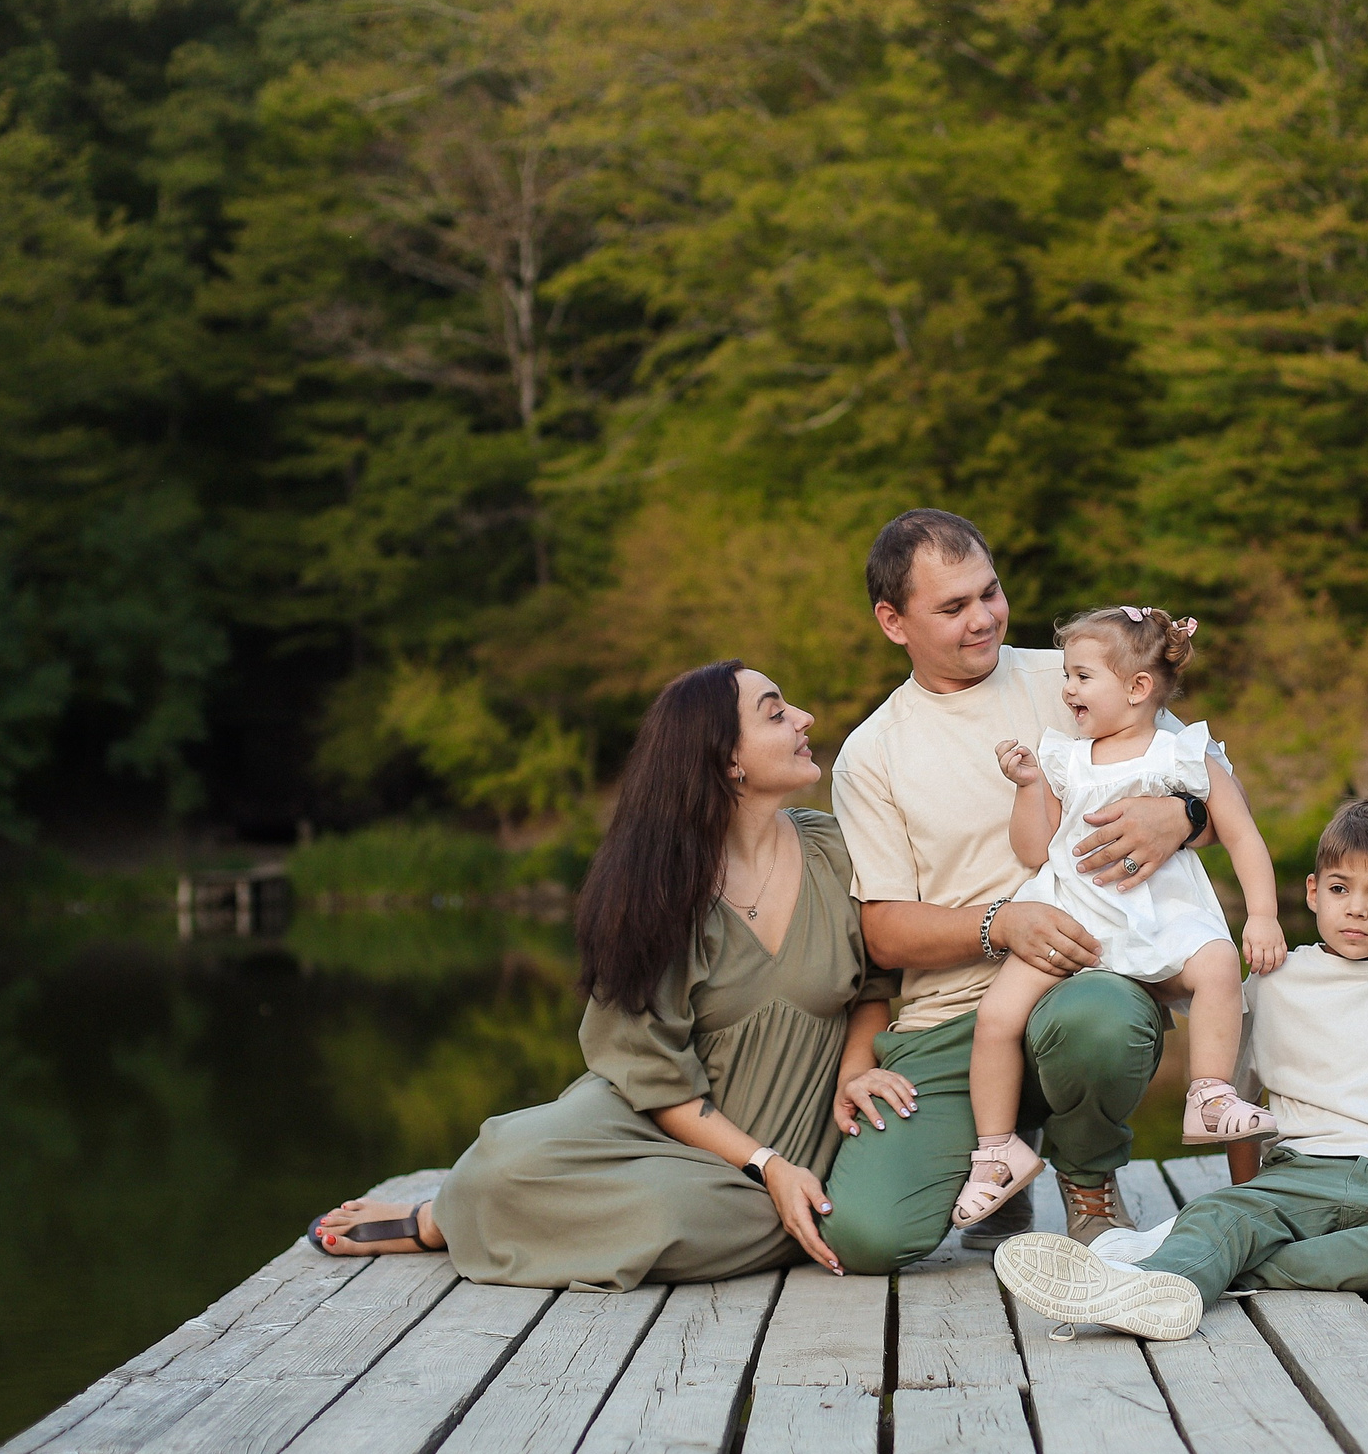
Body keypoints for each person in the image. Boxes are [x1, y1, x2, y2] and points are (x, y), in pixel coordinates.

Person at [307, 660, 914, 1290]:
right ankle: (438, 1218)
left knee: (668, 1215)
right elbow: (655, 1077)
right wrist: (765, 1165)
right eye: (776, 712)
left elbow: (874, 983)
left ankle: (476, 1221)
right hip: (662, 1117)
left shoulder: (835, 851)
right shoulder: (662, 891)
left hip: (780, 1142)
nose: (804, 718)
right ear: (727, 759)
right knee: (503, 1162)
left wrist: (853, 1073)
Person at [820, 510, 1214, 1271]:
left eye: (989, 592)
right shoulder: (872, 753)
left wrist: (1182, 815)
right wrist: (1000, 923)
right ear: (892, 621)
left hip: (1087, 984)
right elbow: (884, 932)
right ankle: (1003, 1160)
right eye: (953, 607)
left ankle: (1089, 1183)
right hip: (950, 1020)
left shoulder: (1074, 674)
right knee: (866, 1237)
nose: (983, 618)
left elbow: (1210, 795)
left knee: (1099, 1020)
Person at [989, 796, 1368, 1339]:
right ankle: (1146, 1287)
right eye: (1340, 889)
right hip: (1298, 1176)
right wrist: (1246, 1197)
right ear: (1313, 892)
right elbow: (1235, 1108)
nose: (1357, 909)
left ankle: (1213, 1269)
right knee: (1220, 1217)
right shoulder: (1273, 979)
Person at [954, 606, 1285, 1228]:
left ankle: (1210, 1093)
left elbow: (1241, 836)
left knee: (1216, 964)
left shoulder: (1184, 754)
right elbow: (1033, 850)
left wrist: (1262, 915)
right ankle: (998, 1151)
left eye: (1081, 677)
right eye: (1067, 677)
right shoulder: (1064, 759)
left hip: (1160, 916)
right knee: (996, 1016)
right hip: (1075, 917)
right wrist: (1028, 786)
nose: (1067, 690)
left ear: (1136, 689)